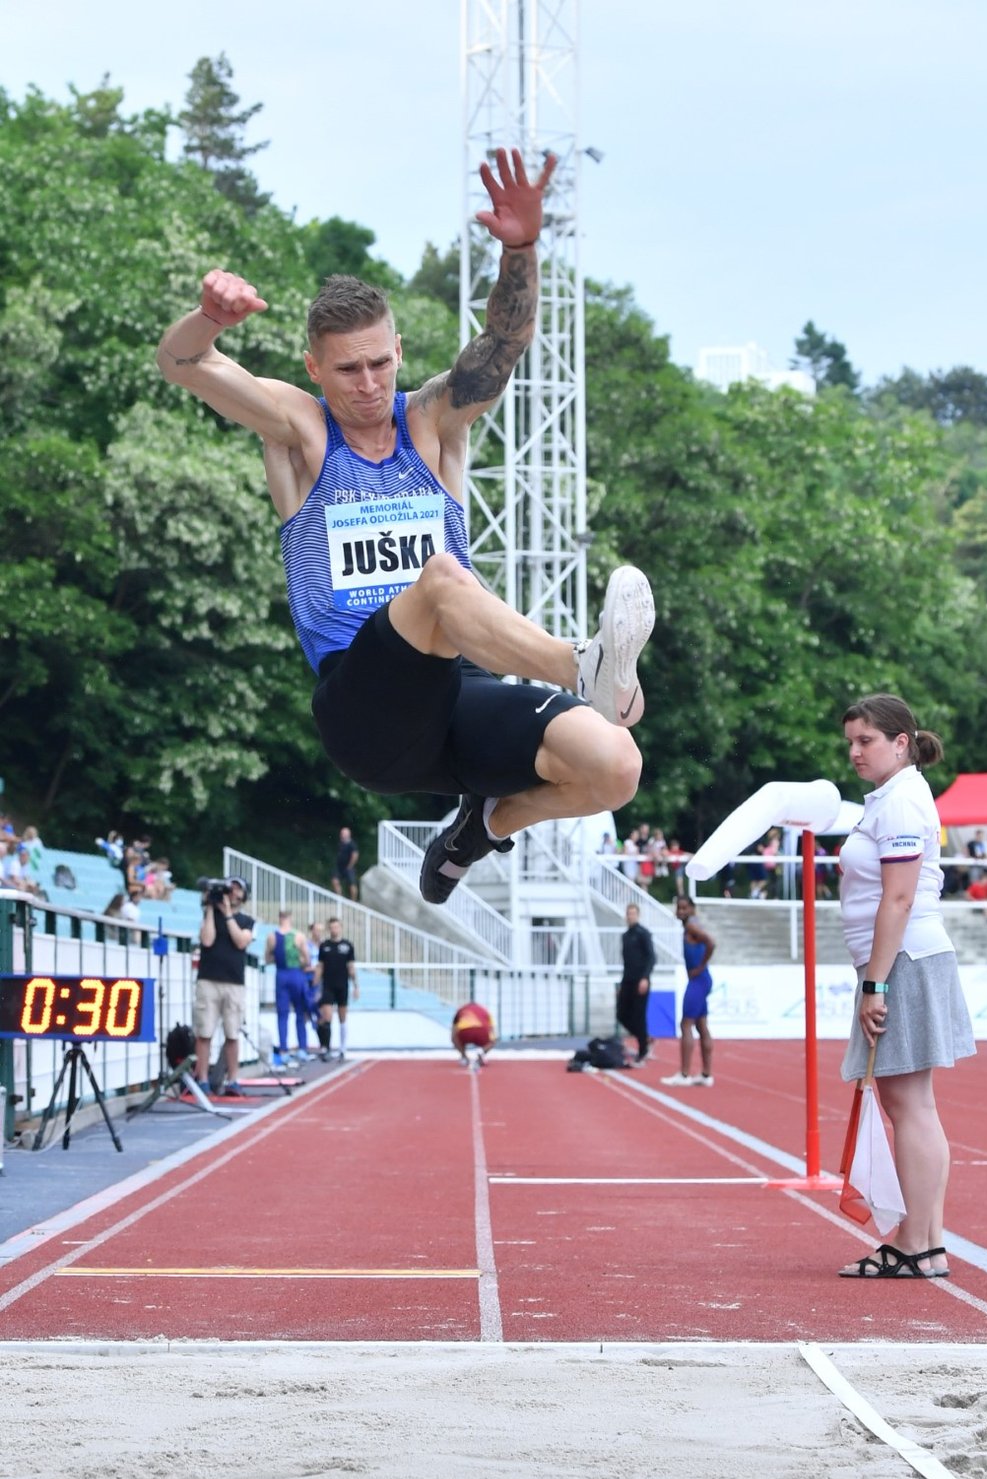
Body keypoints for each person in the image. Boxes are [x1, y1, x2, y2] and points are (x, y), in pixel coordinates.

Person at [156, 148, 653, 908]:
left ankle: (481, 826)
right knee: (443, 581)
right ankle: (581, 667)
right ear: (314, 368)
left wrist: (519, 249)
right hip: (365, 712)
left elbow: (503, 345)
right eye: (348, 370)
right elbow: (184, 363)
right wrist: (208, 319)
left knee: (615, 765)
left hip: (459, 697)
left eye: (380, 365)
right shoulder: (300, 431)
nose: (368, 385)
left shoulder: (431, 423)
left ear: (399, 353)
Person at [837, 693, 976, 1279]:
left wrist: (876, 983)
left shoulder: (900, 801)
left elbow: (898, 897)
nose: (854, 752)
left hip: (903, 961)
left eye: (865, 741)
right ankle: (926, 1238)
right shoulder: (896, 795)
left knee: (910, 1104)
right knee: (912, 1103)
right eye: (850, 741)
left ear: (900, 742)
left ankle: (917, 1241)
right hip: (904, 958)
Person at [192, 877, 255, 1095]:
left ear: (243, 896)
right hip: (208, 979)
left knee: (232, 1033)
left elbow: (240, 941)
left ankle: (233, 1080)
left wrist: (228, 913)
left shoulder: (246, 921)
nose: (233, 891)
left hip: (234, 983)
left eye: (238, 888)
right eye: (231, 887)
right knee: (204, 1032)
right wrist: (211, 908)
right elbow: (207, 941)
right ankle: (202, 1079)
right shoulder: (210, 915)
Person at [661, 896, 716, 1088]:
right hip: (701, 979)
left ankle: (684, 1074)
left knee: (686, 1024)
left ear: (692, 909)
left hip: (698, 980)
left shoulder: (692, 927)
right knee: (701, 1025)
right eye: (679, 908)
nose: (681, 911)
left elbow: (711, 942)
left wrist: (701, 966)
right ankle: (706, 1074)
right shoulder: (690, 926)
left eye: (685, 908)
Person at [265, 910, 312, 1067]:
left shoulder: (272, 937)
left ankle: (284, 1049)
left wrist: (280, 957)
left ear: (279, 918)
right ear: (290, 918)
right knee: (300, 1012)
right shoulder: (299, 936)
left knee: (283, 1014)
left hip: (282, 975)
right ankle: (302, 1048)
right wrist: (298, 960)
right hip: (295, 975)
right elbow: (307, 960)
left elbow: (267, 958)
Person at [314, 916, 359, 1059]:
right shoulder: (324, 946)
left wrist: (355, 986)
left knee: (342, 1018)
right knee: (326, 1016)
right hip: (328, 985)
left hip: (342, 986)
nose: (334, 929)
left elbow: (351, 967)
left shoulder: (347, 946)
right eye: (332, 927)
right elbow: (320, 966)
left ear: (340, 928)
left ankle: (342, 1048)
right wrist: (315, 985)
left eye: (336, 927)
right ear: (329, 929)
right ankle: (326, 1047)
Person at [617, 902, 656, 1064]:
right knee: (622, 1014)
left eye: (633, 913)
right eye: (628, 913)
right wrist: (622, 984)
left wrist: (645, 978)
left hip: (641, 981)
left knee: (639, 1016)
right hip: (627, 980)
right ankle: (645, 1038)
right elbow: (626, 962)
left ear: (638, 915)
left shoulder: (644, 934)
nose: (630, 916)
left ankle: (642, 1050)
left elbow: (651, 958)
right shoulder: (625, 936)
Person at [451, 1001, 497, 1067]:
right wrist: (492, 1041)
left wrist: (454, 1039)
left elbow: (454, 1029)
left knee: (456, 1039)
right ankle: (481, 1053)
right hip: (482, 1030)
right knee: (492, 1041)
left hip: (464, 1031)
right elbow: (492, 1028)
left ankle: (464, 1057)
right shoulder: (484, 1010)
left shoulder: (461, 1010)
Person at [332, 826, 359, 900]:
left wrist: (350, 866)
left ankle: (353, 901)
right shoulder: (340, 843)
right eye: (342, 833)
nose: (342, 835)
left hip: (349, 867)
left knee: (352, 884)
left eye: (344, 833)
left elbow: (355, 855)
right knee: (335, 881)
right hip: (339, 867)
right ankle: (340, 899)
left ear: (348, 834)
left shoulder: (352, 844)